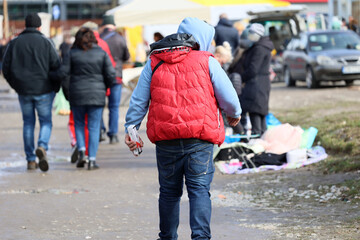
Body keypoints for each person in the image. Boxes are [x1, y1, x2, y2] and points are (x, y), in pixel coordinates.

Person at [124, 17, 241, 240]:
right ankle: (200, 237)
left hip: (166, 139)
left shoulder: (155, 61)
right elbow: (229, 97)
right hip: (199, 138)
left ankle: (167, 237)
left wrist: (131, 128)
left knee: (169, 192)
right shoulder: (207, 60)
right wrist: (233, 113)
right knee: (199, 191)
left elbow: (139, 100)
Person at [2, 13, 61, 172]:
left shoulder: (15, 43)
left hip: (24, 91)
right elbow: (57, 66)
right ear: (39, 26)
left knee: (28, 123)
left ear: (25, 25)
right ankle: (42, 145)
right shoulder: (47, 42)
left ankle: (30, 159)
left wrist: (16, 85)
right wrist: (55, 86)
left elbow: (5, 68)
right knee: (46, 122)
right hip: (44, 89)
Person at [51, 27, 116, 170]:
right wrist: (104, 87)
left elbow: (63, 73)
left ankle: (81, 151)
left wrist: (49, 76)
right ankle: (92, 160)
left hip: (77, 95)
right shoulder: (102, 53)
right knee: (93, 127)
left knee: (79, 124)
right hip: (97, 95)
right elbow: (111, 75)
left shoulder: (72, 54)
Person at [231, 23, 274, 136]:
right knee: (260, 113)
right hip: (261, 83)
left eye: (251, 34)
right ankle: (263, 140)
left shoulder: (259, 48)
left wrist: (242, 78)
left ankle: (258, 141)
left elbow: (253, 69)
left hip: (256, 84)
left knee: (256, 112)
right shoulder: (262, 46)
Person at [100, 15, 130, 144]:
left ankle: (100, 130)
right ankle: (113, 134)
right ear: (114, 25)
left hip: (101, 77)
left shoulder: (99, 38)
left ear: (103, 25)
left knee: (99, 106)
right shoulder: (120, 38)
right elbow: (126, 57)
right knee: (114, 107)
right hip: (116, 76)